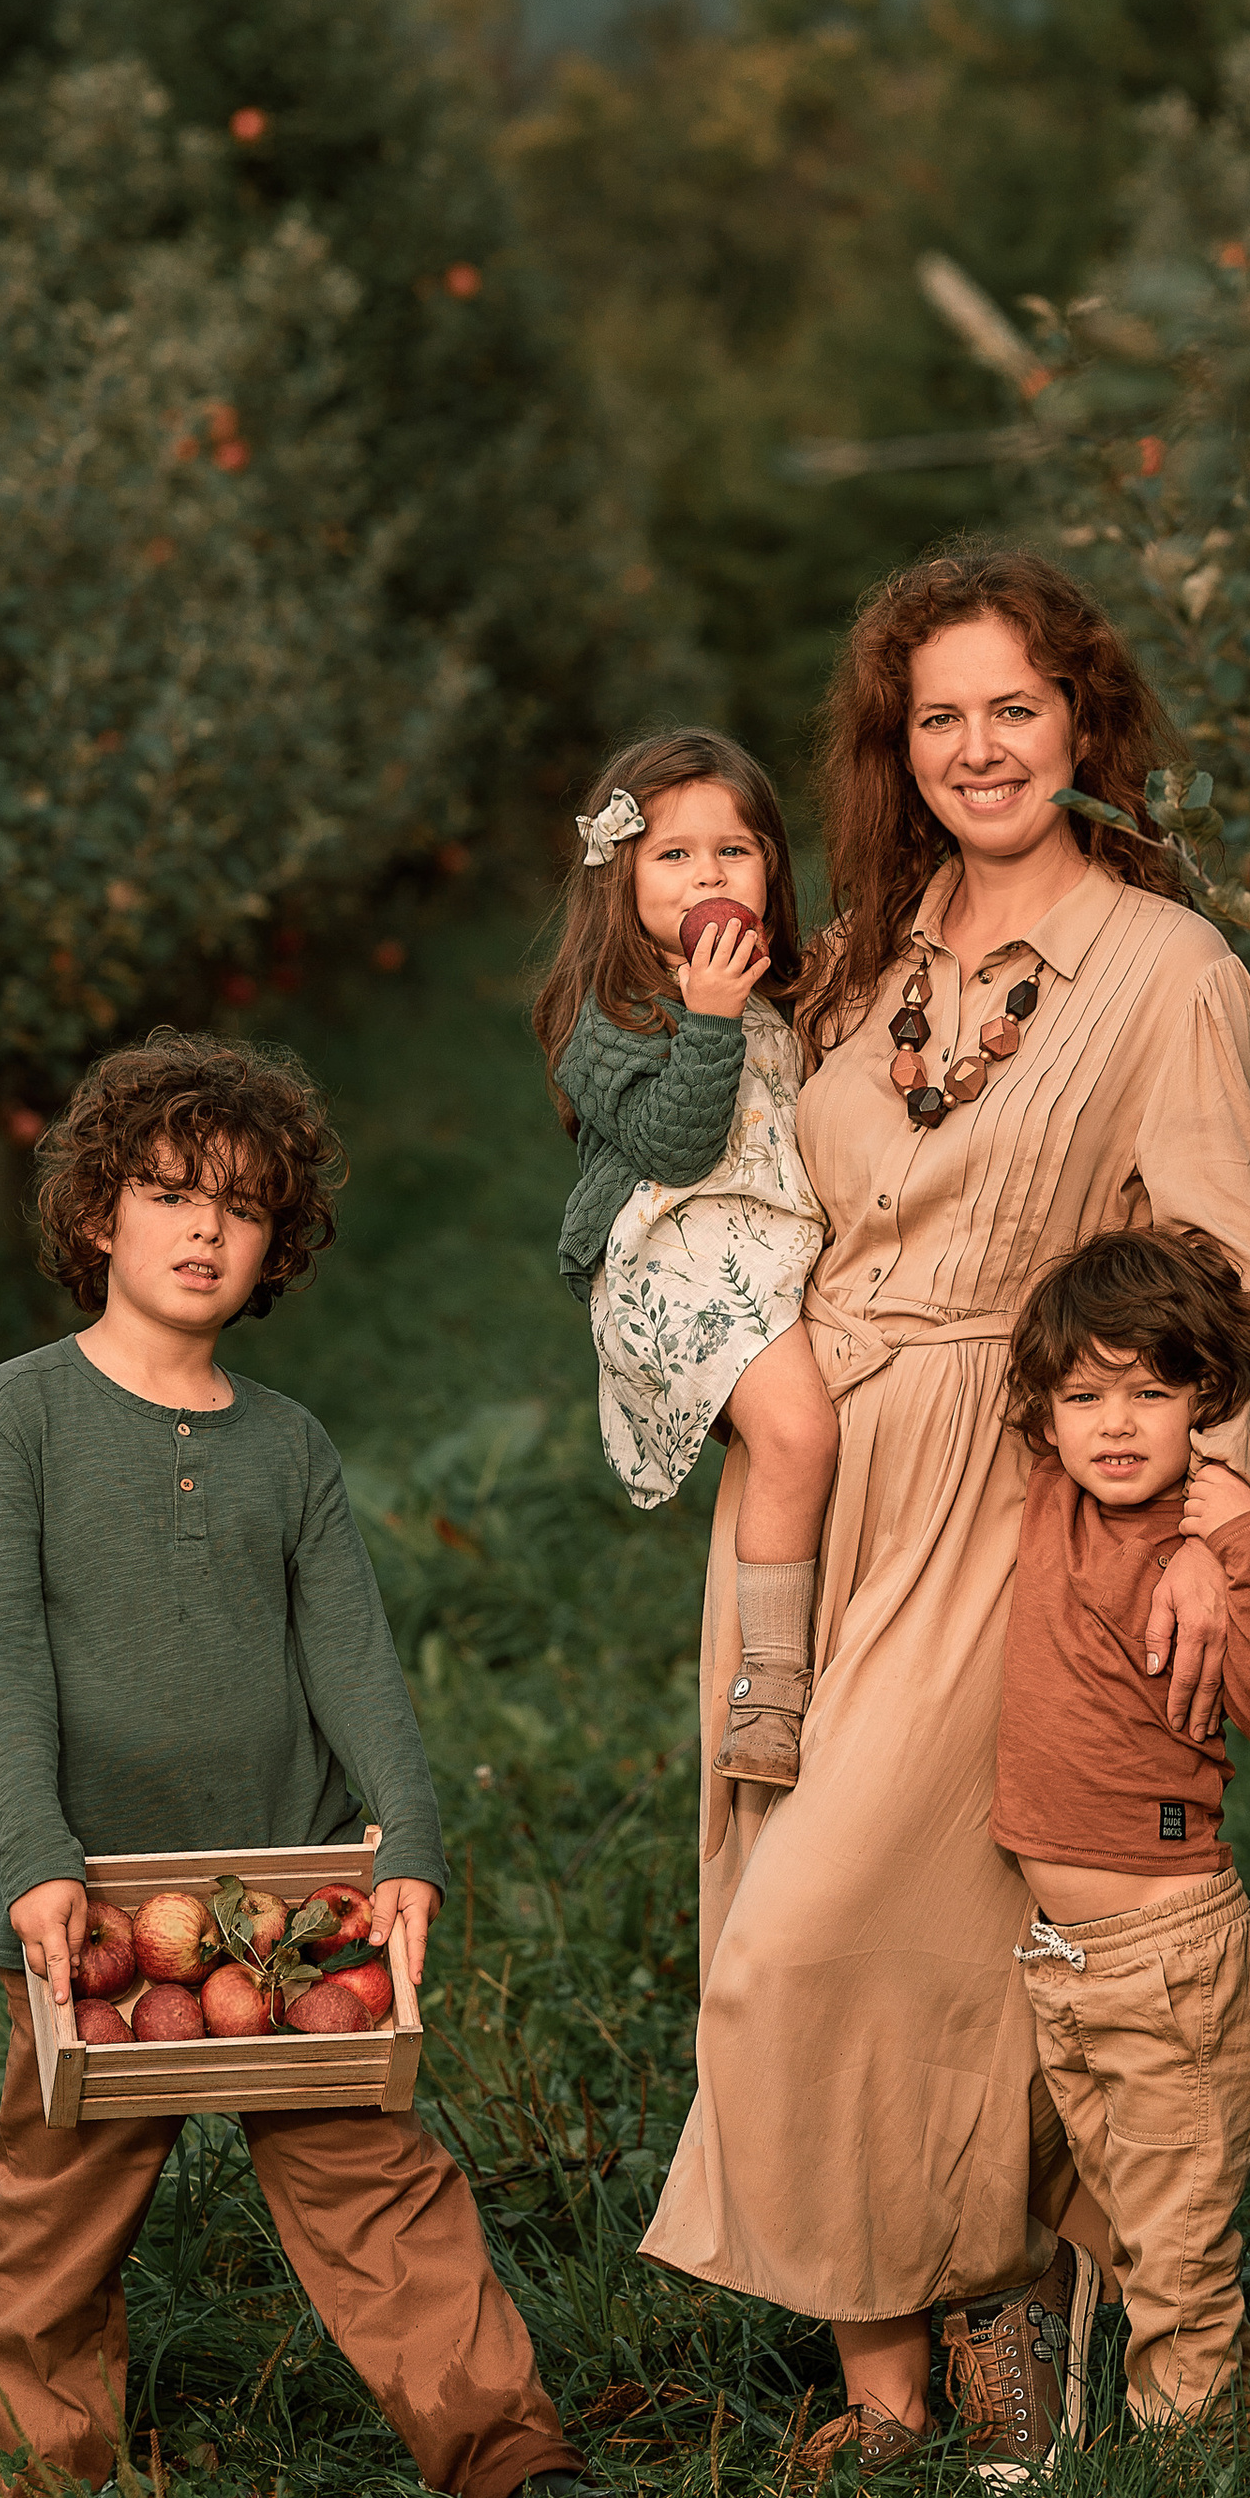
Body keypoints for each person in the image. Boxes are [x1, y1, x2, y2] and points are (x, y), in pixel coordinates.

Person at [639, 545, 1250, 2483]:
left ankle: (1022, 2288)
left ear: (1081, 721)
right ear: (891, 747)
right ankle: (926, 2381)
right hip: (818, 1481)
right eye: (937, 717)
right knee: (894, 1936)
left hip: (1006, 1493)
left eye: (1015, 707)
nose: (977, 747)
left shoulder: (1166, 976)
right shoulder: (863, 954)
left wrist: (1214, 1519)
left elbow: (1230, 1267)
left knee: (816, 1935)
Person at [0, 1027, 609, 2498]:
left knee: (375, 2182)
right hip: (99, 1903)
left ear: (275, 1245)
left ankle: (507, 2451)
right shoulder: (20, 1418)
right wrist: (36, 1852)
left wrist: (407, 1845)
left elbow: (355, 1660)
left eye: (239, 1206)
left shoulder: (288, 1447)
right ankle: (48, 2495)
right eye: (170, 1192)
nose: (202, 1228)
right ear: (99, 1214)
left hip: (291, 1890)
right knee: (61, 2209)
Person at [978, 1228, 1250, 2473]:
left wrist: (1243, 1539)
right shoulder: (1052, 1490)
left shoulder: (1223, 1532)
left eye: (1151, 1393)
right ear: (1048, 1414)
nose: (1115, 1425)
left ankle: (1200, 2474)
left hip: (1167, 1951)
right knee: (1132, 2212)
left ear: (1205, 1404)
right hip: (1065, 1954)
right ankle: (1174, 2403)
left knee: (1175, 2247)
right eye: (1086, 1396)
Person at [535, 730, 837, 1789]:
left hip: (767, 1245)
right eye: (672, 856)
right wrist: (707, 1021)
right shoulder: (607, 1016)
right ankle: (769, 1682)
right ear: (619, 884)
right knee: (799, 1433)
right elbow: (674, 1145)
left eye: (735, 851)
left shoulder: (773, 989)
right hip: (671, 1260)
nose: (708, 874)